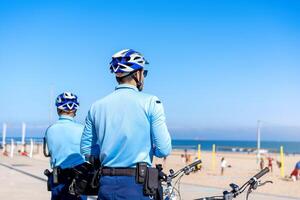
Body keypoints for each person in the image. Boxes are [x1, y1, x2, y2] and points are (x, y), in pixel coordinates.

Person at [80, 49, 172, 200]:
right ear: (137, 74)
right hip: (137, 184)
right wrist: (147, 148)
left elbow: (86, 150)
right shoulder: (151, 102)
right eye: (144, 73)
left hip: (106, 184)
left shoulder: (96, 106)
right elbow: (163, 149)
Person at [45, 92, 86, 200]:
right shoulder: (82, 129)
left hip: (57, 178)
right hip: (79, 180)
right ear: (75, 110)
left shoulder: (50, 130)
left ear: (58, 109)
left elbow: (48, 152)